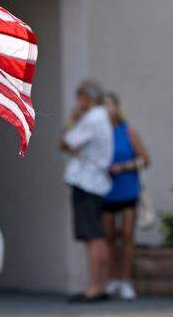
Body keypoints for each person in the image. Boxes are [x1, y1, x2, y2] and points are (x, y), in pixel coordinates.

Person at [59, 79, 115, 302]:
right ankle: (101, 285)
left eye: (78, 96)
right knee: (97, 236)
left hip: (87, 182)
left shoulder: (92, 118)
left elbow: (65, 142)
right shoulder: (102, 118)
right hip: (96, 182)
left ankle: (95, 287)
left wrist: (72, 119)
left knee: (93, 237)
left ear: (86, 97)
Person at [102, 91, 150, 301]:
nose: (107, 110)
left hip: (128, 189)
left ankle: (125, 279)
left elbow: (145, 159)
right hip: (106, 191)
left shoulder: (127, 131)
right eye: (103, 106)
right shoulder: (99, 133)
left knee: (128, 235)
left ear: (117, 107)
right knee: (109, 236)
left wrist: (125, 167)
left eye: (110, 105)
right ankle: (112, 278)